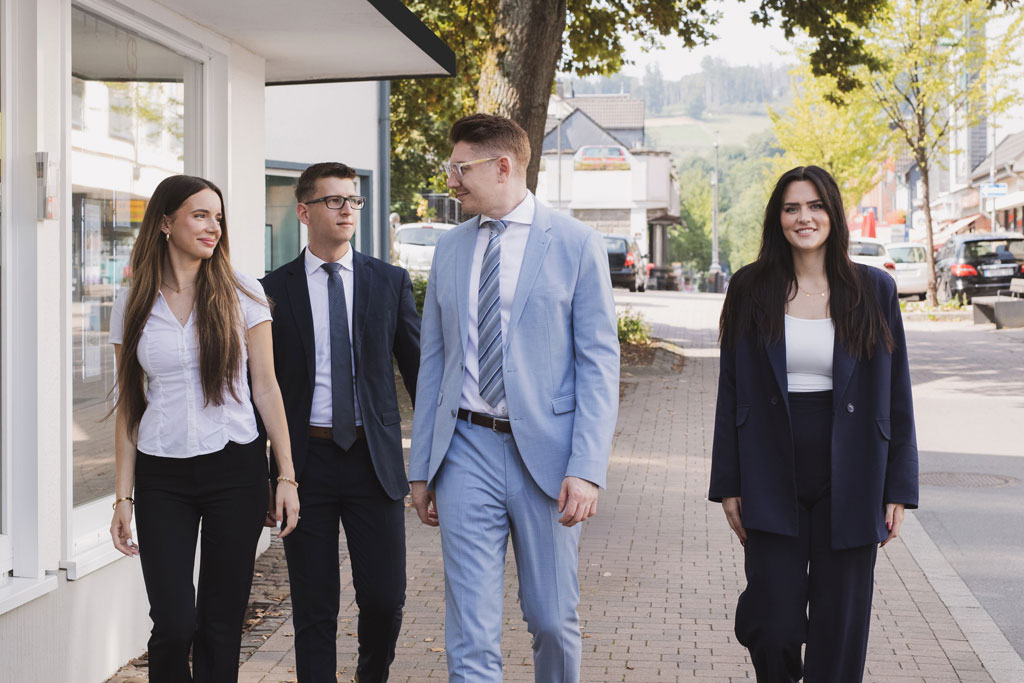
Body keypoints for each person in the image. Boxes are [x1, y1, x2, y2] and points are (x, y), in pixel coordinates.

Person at [409, 113, 619, 682]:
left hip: (547, 460)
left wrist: (587, 468)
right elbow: (435, 362)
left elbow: (599, 364)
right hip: (464, 453)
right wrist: (422, 465)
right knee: (470, 634)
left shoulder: (576, 243)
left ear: (503, 166)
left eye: (460, 169)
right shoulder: (450, 248)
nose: (451, 181)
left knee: (552, 621)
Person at [709, 165, 919, 682]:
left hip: (852, 476)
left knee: (839, 630)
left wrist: (899, 486)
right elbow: (730, 390)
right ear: (777, 218)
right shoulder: (750, 288)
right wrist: (729, 484)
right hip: (768, 472)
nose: (804, 217)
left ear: (833, 214)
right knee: (774, 622)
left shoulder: (874, 289)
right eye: (791, 208)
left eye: (815, 206)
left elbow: (897, 393)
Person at [108, 174, 300, 683]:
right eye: (200, 215)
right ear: (166, 222)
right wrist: (122, 499)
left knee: (220, 622)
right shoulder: (132, 304)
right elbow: (130, 405)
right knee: (173, 623)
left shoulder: (243, 294)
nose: (213, 226)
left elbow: (267, 388)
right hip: (161, 475)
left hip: (233, 470)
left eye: (217, 217)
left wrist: (286, 476)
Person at [260, 162, 420, 682]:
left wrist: (438, 460)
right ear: (304, 212)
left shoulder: (390, 282)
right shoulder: (269, 291)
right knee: (314, 605)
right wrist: (271, 475)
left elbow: (420, 373)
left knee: (384, 599)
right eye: (334, 200)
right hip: (305, 463)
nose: (348, 208)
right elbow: (257, 388)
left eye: (353, 199)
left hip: (374, 464)